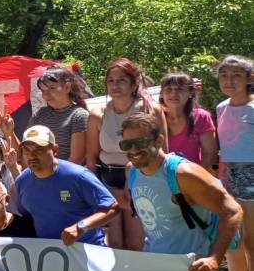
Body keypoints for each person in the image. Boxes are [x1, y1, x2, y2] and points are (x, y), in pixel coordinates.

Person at [122, 112, 243, 271]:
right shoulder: (132, 172)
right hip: (156, 264)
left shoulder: (183, 173)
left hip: (192, 269)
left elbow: (232, 211)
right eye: (126, 144)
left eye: (140, 142)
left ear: (159, 140)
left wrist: (215, 259)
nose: (132, 150)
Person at [87, 57, 167, 250]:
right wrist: (96, 189)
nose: (115, 85)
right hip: (108, 180)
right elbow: (91, 157)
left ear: (133, 84)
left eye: (121, 80)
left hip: (141, 178)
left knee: (136, 240)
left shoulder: (151, 110)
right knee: (114, 241)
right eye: (111, 81)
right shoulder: (98, 114)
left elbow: (163, 151)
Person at [16, 125, 118, 246]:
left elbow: (112, 207)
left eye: (39, 149)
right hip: (49, 254)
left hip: (87, 251)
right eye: (27, 150)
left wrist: (80, 227)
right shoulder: (22, 181)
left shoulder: (78, 176)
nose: (32, 155)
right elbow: (24, 216)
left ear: (54, 149)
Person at [211, 55, 254, 271]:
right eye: (225, 75)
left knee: (252, 242)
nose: (229, 80)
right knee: (233, 239)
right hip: (229, 176)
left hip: (252, 175)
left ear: (249, 79)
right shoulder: (221, 107)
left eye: (236, 75)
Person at [29, 65, 89, 163]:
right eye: (43, 90)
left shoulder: (79, 116)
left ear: (67, 87)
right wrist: (10, 133)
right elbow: (26, 148)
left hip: (67, 175)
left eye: (52, 88)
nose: (46, 94)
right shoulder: (40, 114)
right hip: (41, 173)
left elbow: (76, 159)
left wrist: (52, 175)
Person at [161, 72, 216, 172]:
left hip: (193, 178)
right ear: (161, 93)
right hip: (161, 177)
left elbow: (209, 154)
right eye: (169, 89)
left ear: (190, 93)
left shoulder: (201, 117)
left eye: (180, 89)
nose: (173, 93)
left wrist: (193, 175)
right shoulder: (155, 117)